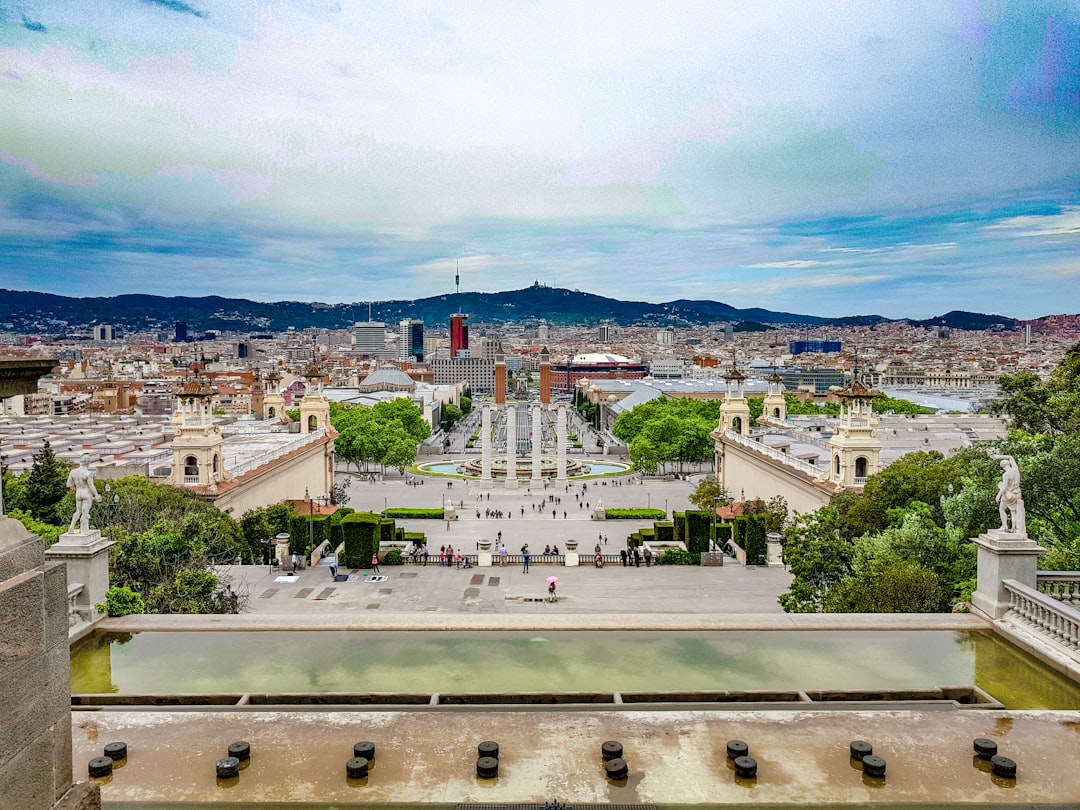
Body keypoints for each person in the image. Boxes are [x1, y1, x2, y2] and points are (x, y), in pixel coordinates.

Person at [66, 454, 100, 534]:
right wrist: (96, 495)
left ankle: (72, 526)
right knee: (85, 513)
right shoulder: (88, 473)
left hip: (78, 492)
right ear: (88, 462)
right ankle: (83, 529)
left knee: (78, 511)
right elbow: (91, 486)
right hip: (86, 492)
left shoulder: (73, 472)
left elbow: (68, 484)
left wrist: (76, 488)